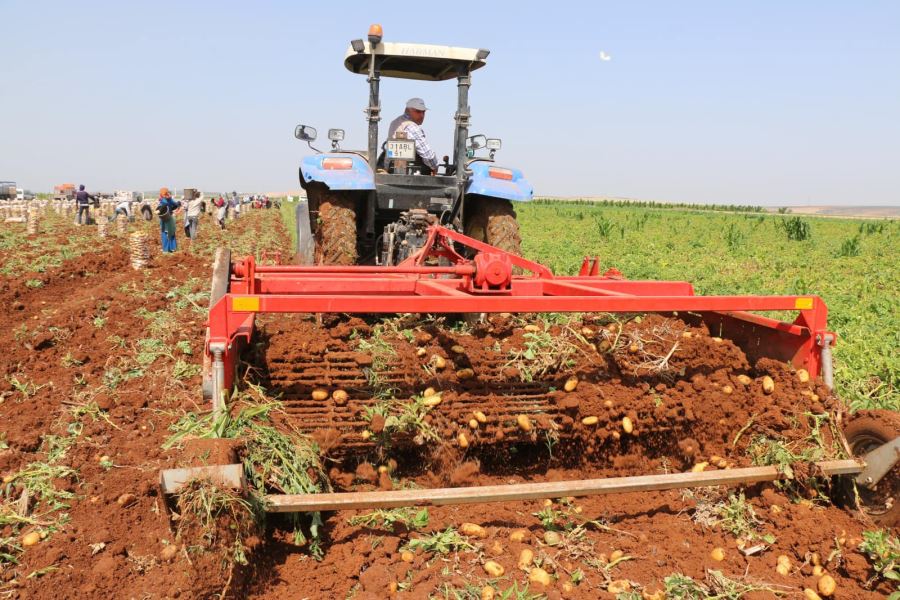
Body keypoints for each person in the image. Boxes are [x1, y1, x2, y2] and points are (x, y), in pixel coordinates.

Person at [386, 98, 439, 173]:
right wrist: (435, 167)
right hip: (408, 175)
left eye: (423, 112)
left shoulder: (395, 122)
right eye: (418, 111)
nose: (422, 115)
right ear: (408, 110)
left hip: (390, 170)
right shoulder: (412, 126)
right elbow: (429, 156)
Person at [156, 188, 181, 253]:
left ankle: (166, 249)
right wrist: (171, 210)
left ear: (161, 193)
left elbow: (165, 204)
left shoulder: (164, 199)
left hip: (165, 219)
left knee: (164, 233)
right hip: (170, 217)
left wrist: (159, 210)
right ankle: (172, 248)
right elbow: (176, 205)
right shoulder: (170, 199)